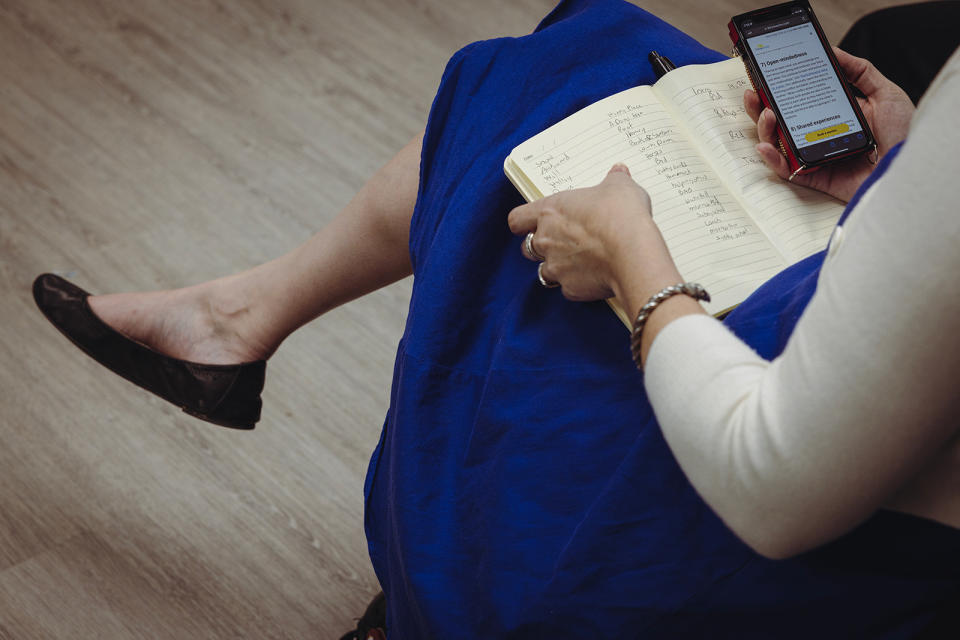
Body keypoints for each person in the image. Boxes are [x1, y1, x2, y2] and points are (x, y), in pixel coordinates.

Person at [34, 0, 959, 636]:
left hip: (831, 513)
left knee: (544, 191)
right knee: (585, 57)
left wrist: (632, 263)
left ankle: (435, 597)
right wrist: (905, 166)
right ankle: (238, 318)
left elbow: (778, 486)